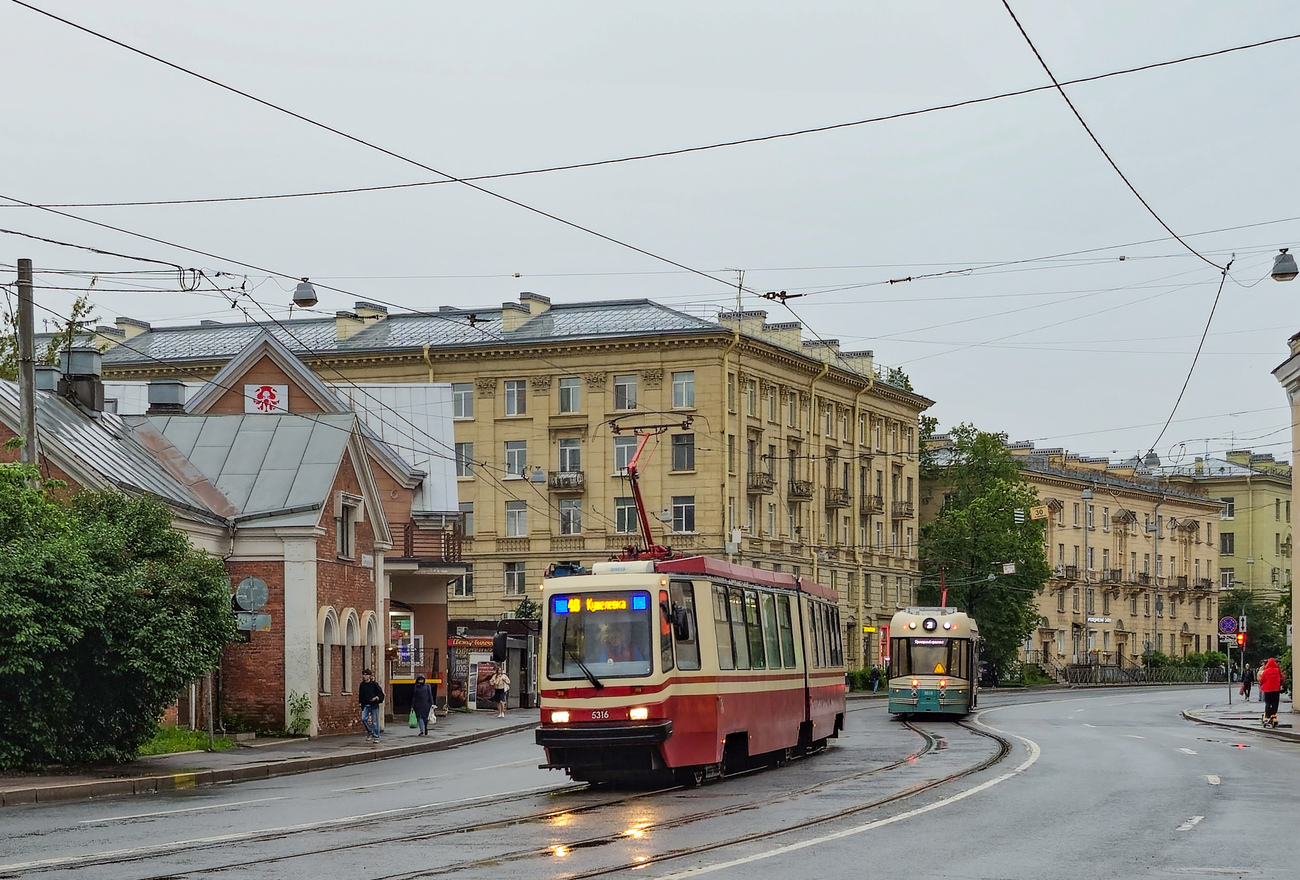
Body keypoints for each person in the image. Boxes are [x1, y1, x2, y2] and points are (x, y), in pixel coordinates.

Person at [358, 668, 384, 743]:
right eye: (363, 675)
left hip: (373, 704)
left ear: (369, 676)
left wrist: (376, 698)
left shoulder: (374, 684)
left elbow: (380, 693)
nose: (364, 676)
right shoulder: (362, 685)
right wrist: (360, 702)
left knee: (375, 721)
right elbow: (361, 695)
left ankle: (376, 736)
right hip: (365, 704)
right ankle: (370, 731)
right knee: (363, 718)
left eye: (366, 675)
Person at [1258, 657, 1283, 724]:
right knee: (1275, 703)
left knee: (1268, 702)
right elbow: (1282, 677)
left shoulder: (1266, 671)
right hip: (1276, 689)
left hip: (1267, 689)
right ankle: (1274, 715)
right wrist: (1280, 684)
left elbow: (1262, 679)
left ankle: (1267, 715)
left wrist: (1261, 684)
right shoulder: (1277, 670)